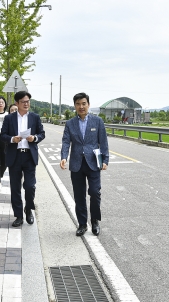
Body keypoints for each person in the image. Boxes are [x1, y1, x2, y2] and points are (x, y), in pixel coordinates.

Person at [60, 92, 109, 236]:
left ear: (88, 104)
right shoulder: (70, 123)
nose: (81, 107)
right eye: (78, 104)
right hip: (76, 164)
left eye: (84, 104)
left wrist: (105, 160)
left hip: (93, 163)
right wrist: (64, 157)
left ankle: (95, 221)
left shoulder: (97, 121)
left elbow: (103, 141)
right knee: (79, 195)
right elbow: (65, 141)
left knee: (94, 192)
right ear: (74, 106)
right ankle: (82, 224)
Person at [0, 91, 45, 227]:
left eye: (28, 101)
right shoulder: (9, 118)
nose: (26, 104)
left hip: (29, 156)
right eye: (24, 102)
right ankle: (18, 216)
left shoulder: (35, 117)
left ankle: (29, 209)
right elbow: (3, 135)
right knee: (15, 188)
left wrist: (34, 138)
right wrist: (13, 139)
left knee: (30, 186)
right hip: (15, 155)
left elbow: (41, 133)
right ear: (17, 103)